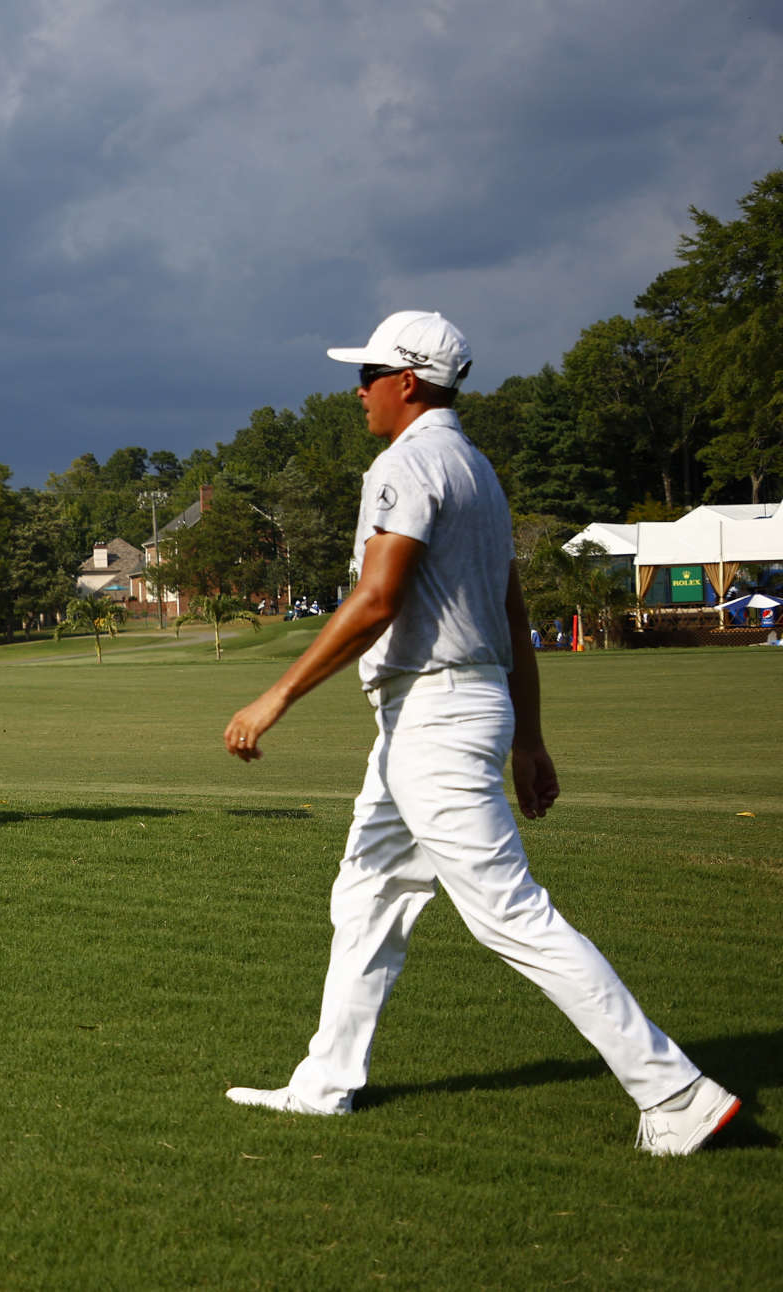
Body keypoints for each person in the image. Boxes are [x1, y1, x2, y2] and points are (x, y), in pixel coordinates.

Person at [219, 311, 738, 1155]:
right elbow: (509, 611)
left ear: (409, 382)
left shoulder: (410, 463)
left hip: (433, 716)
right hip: (447, 712)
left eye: (368, 375)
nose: (356, 391)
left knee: (509, 915)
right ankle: (324, 1084)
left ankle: (673, 1091)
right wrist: (528, 740)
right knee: (369, 894)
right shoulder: (478, 471)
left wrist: (275, 695)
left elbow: (379, 597)